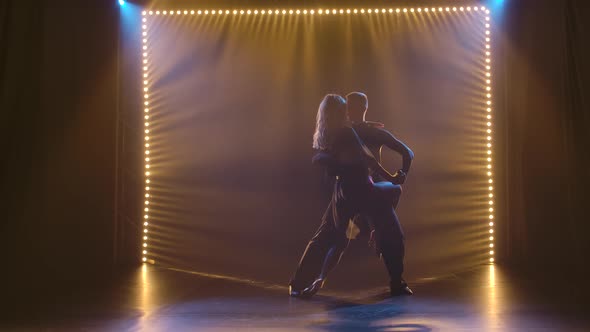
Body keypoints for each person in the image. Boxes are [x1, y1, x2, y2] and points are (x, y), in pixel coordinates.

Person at [289, 94, 412, 298]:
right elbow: (372, 158)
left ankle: (396, 281)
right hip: (356, 189)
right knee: (331, 237)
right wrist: (397, 176)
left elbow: (406, 153)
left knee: (385, 234)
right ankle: (302, 282)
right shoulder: (349, 131)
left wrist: (399, 175)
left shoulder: (355, 131)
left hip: (358, 189)